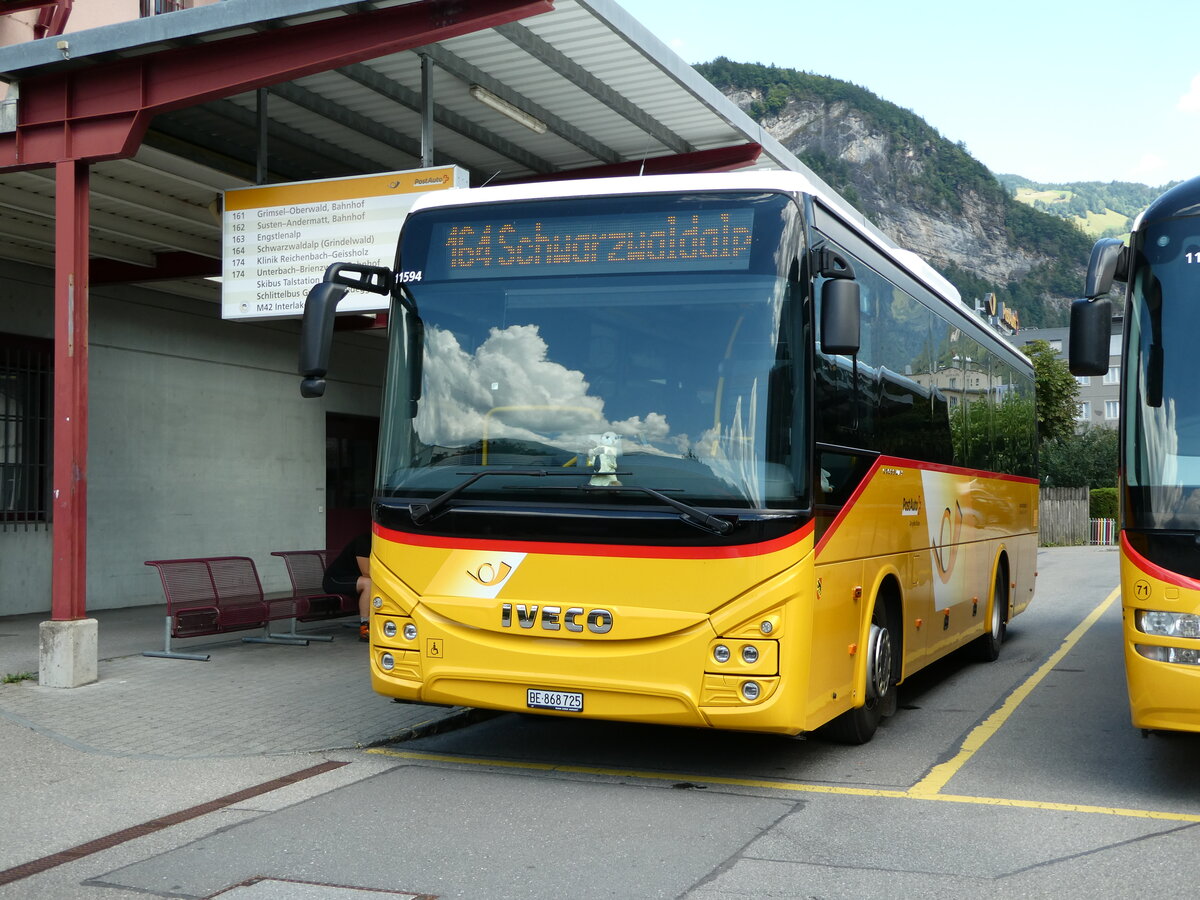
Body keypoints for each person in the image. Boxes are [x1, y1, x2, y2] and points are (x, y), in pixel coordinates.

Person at [323, 532, 372, 641]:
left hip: (354, 580)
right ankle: (365, 628)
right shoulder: (364, 541)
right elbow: (366, 572)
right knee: (369, 583)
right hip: (335, 580)